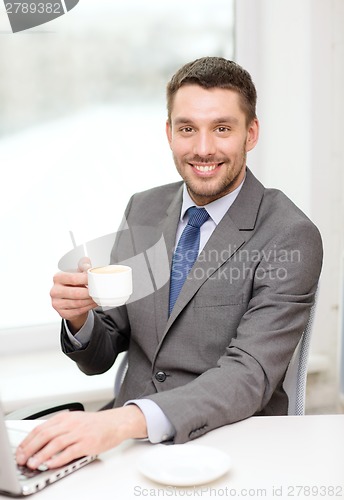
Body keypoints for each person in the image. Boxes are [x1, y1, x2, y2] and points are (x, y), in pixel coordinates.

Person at [16, 57, 322, 470]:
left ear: (250, 134)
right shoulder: (143, 209)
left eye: (222, 128)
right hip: (127, 445)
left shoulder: (289, 234)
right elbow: (105, 350)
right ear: (169, 133)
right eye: (187, 129)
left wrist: (123, 422)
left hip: (230, 446)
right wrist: (79, 320)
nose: (202, 149)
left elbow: (248, 375)